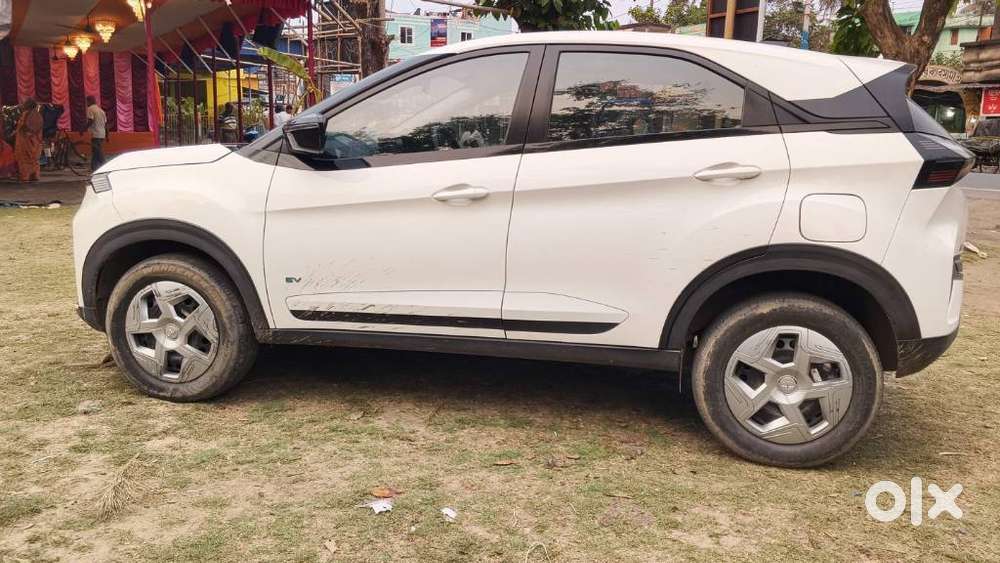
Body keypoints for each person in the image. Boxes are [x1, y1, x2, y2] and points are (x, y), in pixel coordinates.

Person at [14, 98, 43, 182]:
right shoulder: (38, 114)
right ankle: (35, 176)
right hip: (36, 141)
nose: (23, 105)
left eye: (24, 104)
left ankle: (25, 177)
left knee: (24, 159)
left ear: (28, 105)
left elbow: (23, 126)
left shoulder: (26, 114)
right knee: (34, 159)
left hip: (25, 140)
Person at [85, 96, 107, 170]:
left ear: (89, 101)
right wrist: (107, 135)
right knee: (95, 151)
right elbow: (106, 124)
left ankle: (105, 166)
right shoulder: (101, 111)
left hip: (96, 134)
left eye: (87, 102)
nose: (86, 104)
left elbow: (90, 120)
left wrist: (83, 129)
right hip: (102, 134)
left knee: (98, 152)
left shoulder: (90, 109)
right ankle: (93, 168)